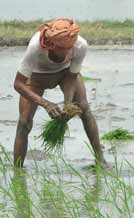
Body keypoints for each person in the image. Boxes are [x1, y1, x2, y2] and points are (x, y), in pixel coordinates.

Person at [13, 18, 106, 167]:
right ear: (50, 45)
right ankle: (17, 172)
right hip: (36, 77)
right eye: (62, 48)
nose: (67, 51)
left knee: (84, 107)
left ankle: (100, 160)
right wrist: (46, 104)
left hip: (64, 73)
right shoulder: (36, 46)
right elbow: (18, 84)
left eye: (69, 47)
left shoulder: (80, 45)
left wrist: (68, 104)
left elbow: (71, 75)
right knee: (24, 122)